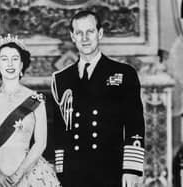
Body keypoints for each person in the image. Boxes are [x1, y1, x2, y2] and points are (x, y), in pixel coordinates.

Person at [51, 10, 145, 187]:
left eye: (90, 31)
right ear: (72, 37)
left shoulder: (124, 74)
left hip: (110, 170)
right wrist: (60, 170)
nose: (85, 38)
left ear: (100, 33)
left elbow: (135, 125)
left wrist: (132, 169)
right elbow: (59, 132)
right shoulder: (61, 79)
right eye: (79, 33)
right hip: (73, 172)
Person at [0, 34, 61, 187]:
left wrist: (19, 174)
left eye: (15, 59)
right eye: (4, 59)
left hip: (28, 173)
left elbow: (40, 143)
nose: (10, 64)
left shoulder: (36, 99)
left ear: (22, 65)